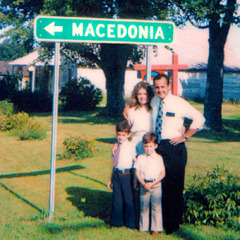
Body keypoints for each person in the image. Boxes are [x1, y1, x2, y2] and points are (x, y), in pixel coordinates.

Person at [151, 73, 205, 234]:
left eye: (163, 87)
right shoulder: (154, 101)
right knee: (159, 186)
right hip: (158, 147)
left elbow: (200, 119)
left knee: (174, 186)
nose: (160, 90)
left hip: (174, 147)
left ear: (169, 86)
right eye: (157, 87)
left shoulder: (179, 103)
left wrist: (185, 135)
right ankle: (158, 222)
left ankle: (172, 225)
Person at [134, 132, 165, 236]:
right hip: (144, 184)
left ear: (155, 146)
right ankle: (143, 228)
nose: (148, 149)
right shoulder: (141, 158)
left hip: (156, 185)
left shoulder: (158, 158)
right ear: (143, 146)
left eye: (150, 146)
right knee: (144, 207)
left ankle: (156, 228)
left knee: (156, 207)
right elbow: (137, 172)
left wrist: (153, 183)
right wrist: (143, 183)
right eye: (146, 146)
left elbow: (162, 173)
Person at [107, 120, 136, 229]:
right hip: (116, 175)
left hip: (127, 175)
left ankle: (130, 223)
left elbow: (135, 161)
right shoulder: (115, 147)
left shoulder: (130, 146)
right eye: (118, 134)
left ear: (128, 135)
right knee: (117, 199)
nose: (120, 137)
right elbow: (114, 163)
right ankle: (116, 222)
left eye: (123, 135)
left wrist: (135, 178)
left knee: (128, 199)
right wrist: (110, 179)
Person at [123, 81, 154, 155]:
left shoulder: (154, 109)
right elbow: (124, 131)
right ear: (136, 95)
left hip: (150, 144)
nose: (142, 97)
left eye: (145, 94)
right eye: (139, 94)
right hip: (135, 144)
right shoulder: (130, 111)